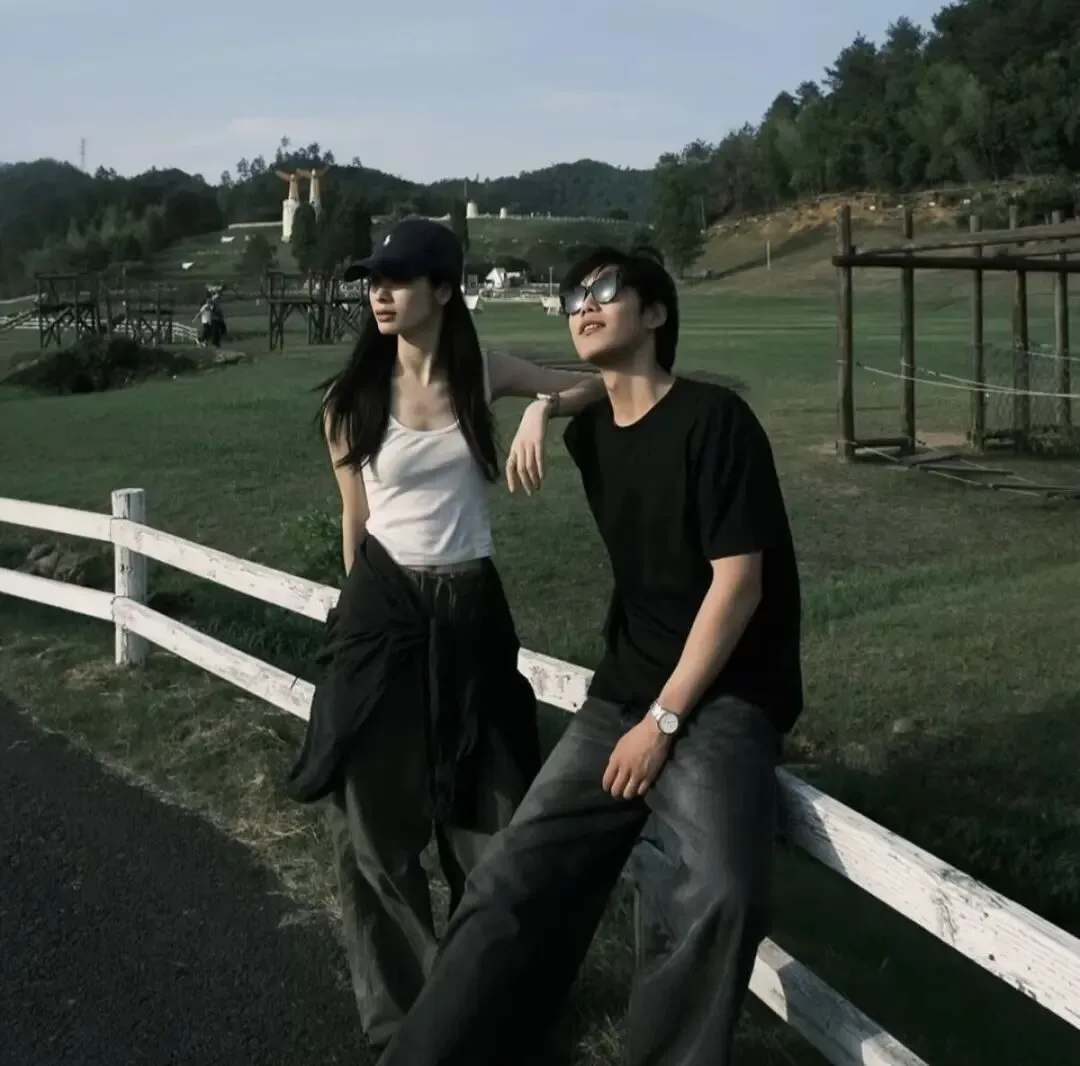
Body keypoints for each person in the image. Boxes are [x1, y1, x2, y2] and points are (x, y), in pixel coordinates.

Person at [378, 245, 803, 1066]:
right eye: (574, 297)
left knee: (723, 892)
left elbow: (739, 586)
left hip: (725, 696)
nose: (585, 304)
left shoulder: (717, 420)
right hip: (624, 693)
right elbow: (594, 392)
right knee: (509, 878)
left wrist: (663, 724)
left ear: (657, 313)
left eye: (607, 289)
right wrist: (542, 409)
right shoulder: (595, 433)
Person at [283, 216, 607, 1055]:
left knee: (494, 824)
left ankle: (480, 1005)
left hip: (472, 615)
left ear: (443, 289)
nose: (379, 294)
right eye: (372, 281)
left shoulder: (482, 373)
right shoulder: (350, 400)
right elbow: (355, 525)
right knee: (375, 831)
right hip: (384, 613)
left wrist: (539, 409)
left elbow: (593, 386)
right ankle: (406, 1028)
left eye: (396, 279)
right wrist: (353, 629)